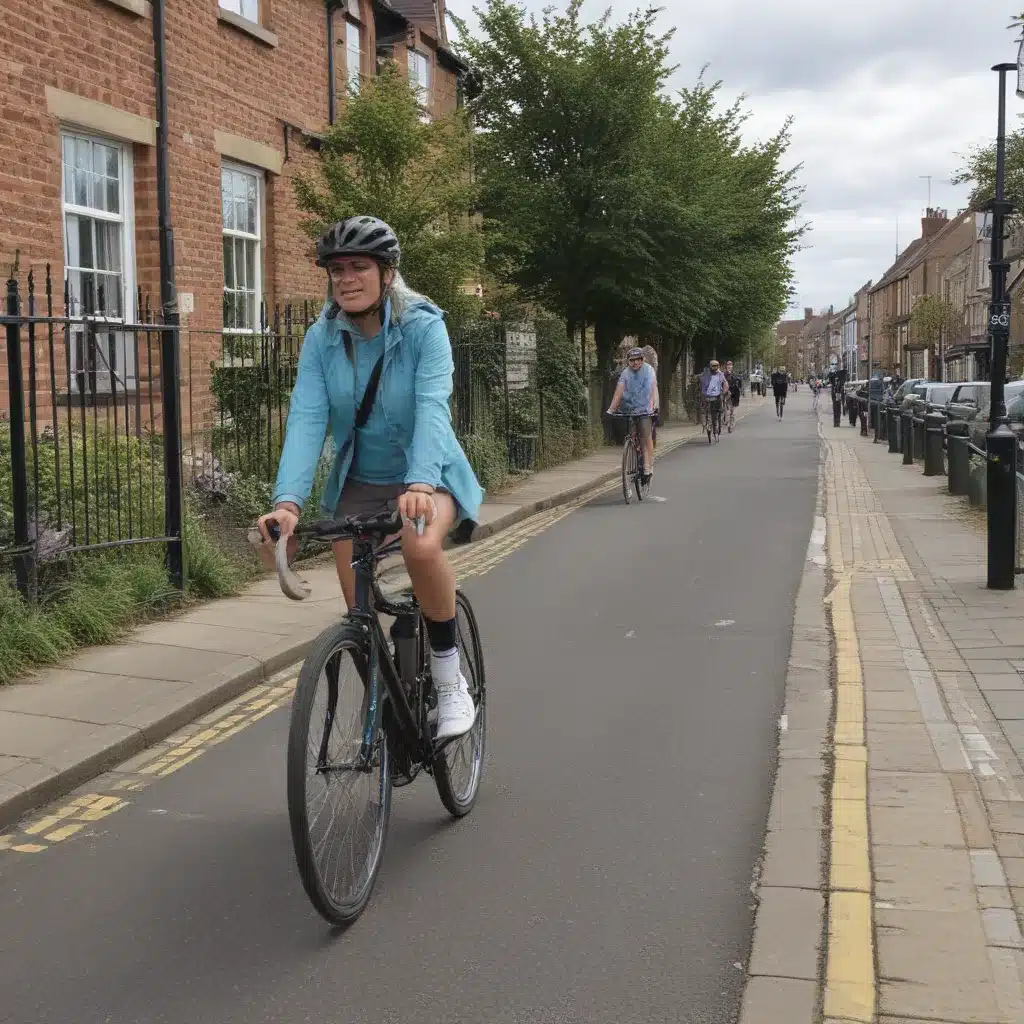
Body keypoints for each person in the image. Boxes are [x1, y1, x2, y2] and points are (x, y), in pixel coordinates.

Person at [256, 215, 482, 742]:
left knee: (421, 549)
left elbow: (432, 407)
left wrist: (422, 482)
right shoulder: (322, 338)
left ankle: (450, 679)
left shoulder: (424, 327)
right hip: (360, 479)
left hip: (430, 475)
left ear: (387, 272)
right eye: (337, 270)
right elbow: (308, 416)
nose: (346, 278)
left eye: (359, 266)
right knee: (357, 611)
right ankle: (384, 700)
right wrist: (287, 502)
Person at [607, 346, 658, 484]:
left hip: (646, 407)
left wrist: (652, 407)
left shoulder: (649, 371)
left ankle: (648, 467)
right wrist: (611, 409)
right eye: (632, 360)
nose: (635, 363)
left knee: (645, 436)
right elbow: (619, 391)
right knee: (633, 434)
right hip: (629, 407)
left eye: (638, 360)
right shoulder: (625, 373)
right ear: (628, 361)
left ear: (642, 360)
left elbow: (651, 390)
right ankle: (632, 451)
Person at [700, 358, 728, 435]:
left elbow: (725, 383)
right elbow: (702, 383)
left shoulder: (720, 374)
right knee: (705, 410)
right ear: (710, 366)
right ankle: (706, 425)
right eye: (713, 366)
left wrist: (724, 391)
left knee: (719, 410)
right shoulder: (706, 374)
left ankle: (719, 424)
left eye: (716, 366)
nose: (715, 367)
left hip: (717, 395)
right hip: (707, 395)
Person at [723, 359, 741, 432]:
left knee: (732, 410)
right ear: (726, 366)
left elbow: (738, 383)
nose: (729, 366)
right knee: (726, 409)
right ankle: (726, 421)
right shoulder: (723, 374)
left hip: (734, 394)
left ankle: (731, 424)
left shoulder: (734, 374)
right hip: (726, 393)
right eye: (728, 365)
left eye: (731, 365)